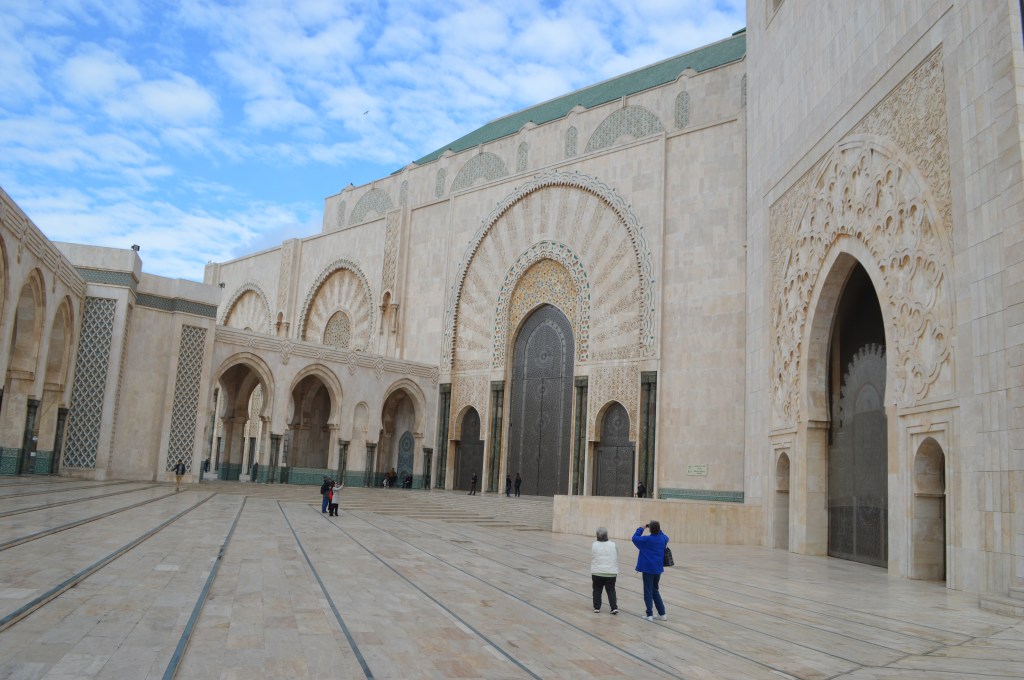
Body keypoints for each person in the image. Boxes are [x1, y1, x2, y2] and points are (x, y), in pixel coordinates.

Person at [632, 520, 669, 621]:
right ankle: (662, 613)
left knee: (648, 591)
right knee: (655, 590)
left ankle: (649, 614)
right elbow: (666, 536)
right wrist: (658, 530)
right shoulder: (663, 539)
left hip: (648, 569)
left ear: (650, 529)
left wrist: (641, 528)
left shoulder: (646, 540)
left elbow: (634, 538)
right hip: (658, 569)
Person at [591, 527, 619, 614]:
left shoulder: (594, 545)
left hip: (597, 572)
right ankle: (614, 608)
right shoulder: (613, 545)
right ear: (606, 535)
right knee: (611, 590)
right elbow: (617, 554)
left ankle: (597, 608)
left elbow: (592, 555)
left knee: (597, 590)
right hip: (611, 572)